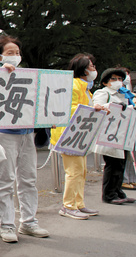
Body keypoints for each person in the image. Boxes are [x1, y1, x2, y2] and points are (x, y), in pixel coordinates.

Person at [0, 35, 49, 243]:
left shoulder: (28, 76)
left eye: (18, 53)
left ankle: (29, 222)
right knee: (5, 180)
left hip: (27, 133)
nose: (15, 56)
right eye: (10, 53)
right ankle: (7, 225)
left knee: (29, 179)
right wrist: (1, 77)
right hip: (4, 133)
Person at [50, 53, 104, 220]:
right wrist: (92, 109)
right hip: (68, 135)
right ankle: (68, 205)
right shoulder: (73, 85)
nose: (94, 69)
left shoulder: (84, 87)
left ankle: (78, 203)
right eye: (91, 66)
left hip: (79, 135)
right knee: (74, 172)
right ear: (83, 69)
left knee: (81, 171)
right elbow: (68, 108)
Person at [92, 68, 136, 205]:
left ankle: (118, 191)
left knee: (121, 164)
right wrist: (113, 105)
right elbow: (97, 107)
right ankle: (109, 194)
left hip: (122, 134)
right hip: (109, 134)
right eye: (113, 79)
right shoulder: (103, 93)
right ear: (105, 82)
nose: (117, 81)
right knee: (112, 164)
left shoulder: (123, 94)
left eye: (119, 79)